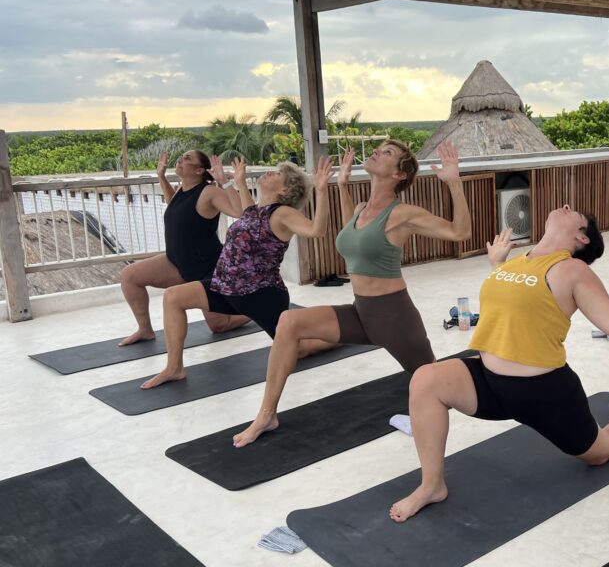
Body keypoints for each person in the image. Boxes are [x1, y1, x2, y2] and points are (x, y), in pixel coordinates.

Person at [388, 206, 609, 523]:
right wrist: (497, 265)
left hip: (545, 394)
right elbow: (512, 307)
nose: (567, 206)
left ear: (581, 237)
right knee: (426, 380)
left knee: (600, 451)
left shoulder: (572, 271)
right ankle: (431, 485)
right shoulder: (517, 261)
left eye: (576, 213)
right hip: (489, 382)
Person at [230, 140, 472, 447]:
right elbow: (350, 231)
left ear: (399, 174)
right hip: (362, 313)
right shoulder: (361, 210)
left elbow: (459, 232)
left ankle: (459, 401)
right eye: (379, 148)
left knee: (439, 386)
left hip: (395, 318)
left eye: (387, 153)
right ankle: (266, 414)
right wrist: (341, 185)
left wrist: (454, 182)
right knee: (289, 322)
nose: (377, 152)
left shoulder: (402, 214)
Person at [140, 155, 335, 389]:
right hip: (225, 287)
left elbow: (316, 230)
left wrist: (321, 191)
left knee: (301, 349)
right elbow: (241, 196)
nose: (270, 172)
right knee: (173, 297)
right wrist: (230, 181)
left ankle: (338, 337)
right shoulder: (254, 210)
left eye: (277, 173)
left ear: (284, 189)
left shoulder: (282, 213)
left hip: (260, 295)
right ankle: (174, 367)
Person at [118, 150, 249, 346]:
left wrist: (225, 181)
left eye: (187, 159)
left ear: (198, 170)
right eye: (181, 157)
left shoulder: (209, 192)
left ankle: (256, 311)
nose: (180, 159)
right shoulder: (182, 189)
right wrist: (161, 176)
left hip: (207, 269)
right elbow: (175, 204)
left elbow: (238, 212)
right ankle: (145, 330)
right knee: (129, 276)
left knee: (219, 326)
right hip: (176, 262)